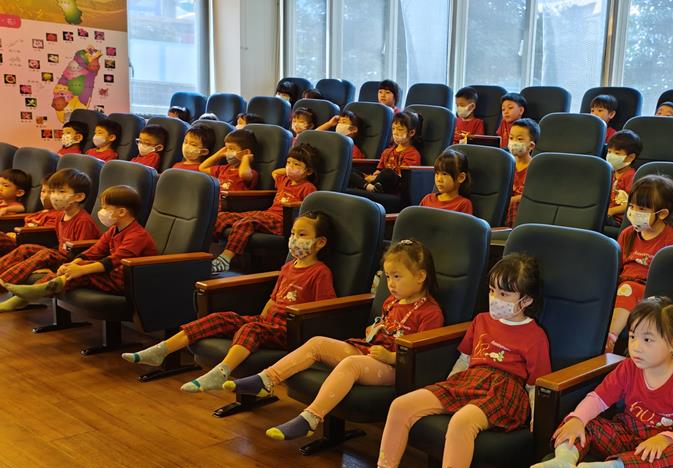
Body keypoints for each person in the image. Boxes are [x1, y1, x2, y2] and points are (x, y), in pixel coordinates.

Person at [351, 254, 551, 468]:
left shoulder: (535, 336)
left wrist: (536, 423)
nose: (495, 299)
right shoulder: (481, 321)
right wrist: (446, 388)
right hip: (469, 379)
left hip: (505, 389)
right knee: (401, 406)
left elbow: (535, 384)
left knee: (461, 422)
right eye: (492, 291)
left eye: (505, 294)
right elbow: (465, 359)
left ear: (526, 300)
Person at [225, 239, 444, 439]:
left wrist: (391, 357)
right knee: (317, 342)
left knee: (351, 364)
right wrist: (376, 330)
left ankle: (310, 418)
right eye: (387, 277)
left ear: (420, 276)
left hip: (395, 369)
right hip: (371, 351)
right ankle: (266, 380)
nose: (391, 284)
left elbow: (422, 357)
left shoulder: (430, 313)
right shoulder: (392, 302)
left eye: (397, 277)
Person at [123, 211, 336, 391]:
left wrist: (276, 324)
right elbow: (273, 300)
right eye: (293, 234)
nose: (295, 239)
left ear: (320, 242)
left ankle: (222, 372)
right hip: (269, 323)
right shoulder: (288, 267)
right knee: (221, 318)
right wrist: (262, 318)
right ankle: (161, 350)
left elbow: (324, 310)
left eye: (302, 235)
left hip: (290, 329)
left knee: (251, 329)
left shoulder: (320, 272)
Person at [531, 296, 673, 468]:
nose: (636, 347)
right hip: (625, 435)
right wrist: (578, 419)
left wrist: (666, 439)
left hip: (655, 449)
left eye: (647, 340)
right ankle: (563, 462)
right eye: (632, 336)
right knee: (580, 421)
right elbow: (598, 399)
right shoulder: (628, 367)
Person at [2, 186, 157, 304]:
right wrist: (74, 264)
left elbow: (115, 260)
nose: (101, 211)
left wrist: (80, 269)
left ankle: (26, 296)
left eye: (105, 207)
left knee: (81, 272)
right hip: (112, 274)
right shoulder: (113, 230)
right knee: (79, 267)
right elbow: (95, 250)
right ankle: (27, 294)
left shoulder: (137, 235)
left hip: (129, 280)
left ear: (122, 212)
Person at [0, 169, 101, 311]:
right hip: (60, 254)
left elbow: (83, 252)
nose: (54, 196)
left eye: (61, 192)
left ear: (79, 196)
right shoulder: (61, 216)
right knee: (26, 248)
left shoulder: (83, 221)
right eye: (53, 191)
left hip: (74, 262)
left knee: (46, 254)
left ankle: (2, 285)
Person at [211, 143, 320, 273]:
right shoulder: (284, 180)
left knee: (245, 223)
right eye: (288, 163)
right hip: (267, 215)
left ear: (308, 171)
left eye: (296, 164)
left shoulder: (308, 187)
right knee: (221, 217)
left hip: (282, 221)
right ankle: (206, 253)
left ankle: (225, 259)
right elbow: (275, 172)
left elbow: (307, 208)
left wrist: (293, 170)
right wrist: (290, 170)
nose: (290, 167)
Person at [606, 175, 673, 352]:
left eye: (641, 209)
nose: (633, 212)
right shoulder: (627, 234)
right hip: (623, 284)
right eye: (632, 206)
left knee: (629, 288)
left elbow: (668, 283)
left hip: (649, 293)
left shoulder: (671, 242)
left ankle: (609, 340)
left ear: (662, 214)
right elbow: (616, 267)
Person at [362, 111, 421, 198]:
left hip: (395, 187)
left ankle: (365, 184)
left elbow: (403, 176)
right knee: (350, 169)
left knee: (388, 173)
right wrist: (376, 175)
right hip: (379, 180)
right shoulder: (387, 152)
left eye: (400, 129)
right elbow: (379, 169)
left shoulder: (413, 154)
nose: (395, 132)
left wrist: (374, 178)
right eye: (393, 128)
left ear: (411, 132)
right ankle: (369, 186)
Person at [505, 118, 540, 227]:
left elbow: (531, 196)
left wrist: (509, 201)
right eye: (511, 138)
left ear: (531, 146)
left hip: (522, 219)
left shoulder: (535, 169)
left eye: (519, 139)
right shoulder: (504, 165)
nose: (514, 142)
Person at [605, 130, 642, 226]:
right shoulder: (609, 172)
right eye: (609, 152)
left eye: (617, 153)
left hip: (616, 218)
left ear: (630, 157)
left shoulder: (631, 176)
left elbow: (631, 204)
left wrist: (611, 211)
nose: (610, 156)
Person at [419, 149, 473, 214]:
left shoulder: (463, 204)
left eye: (444, 174)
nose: (439, 179)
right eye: (437, 173)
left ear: (461, 177)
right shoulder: (428, 199)